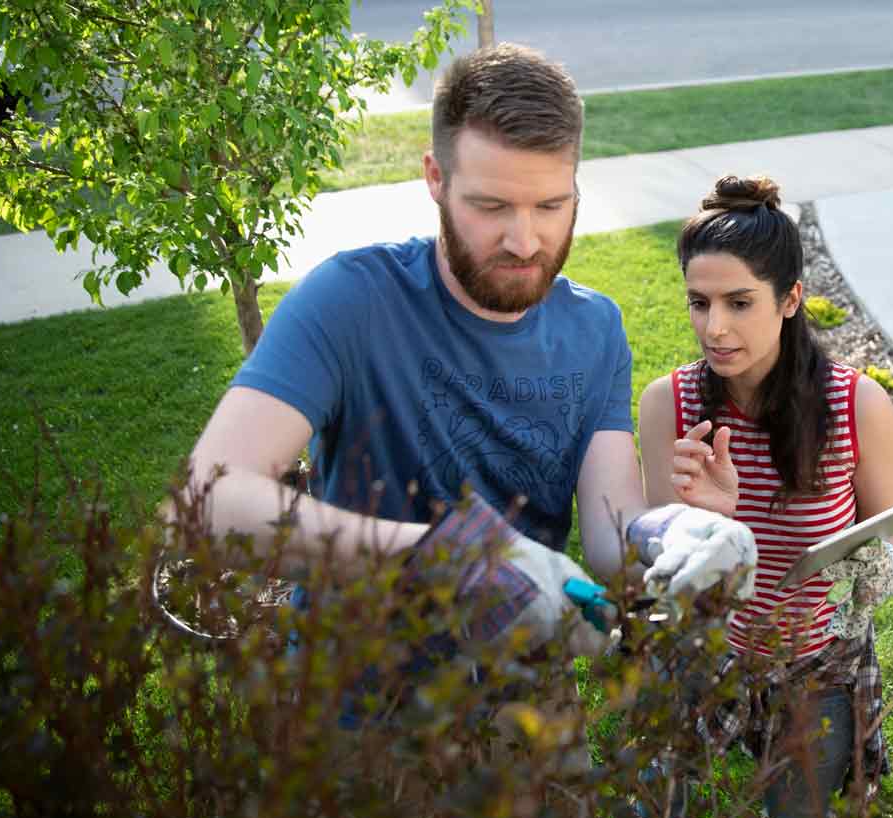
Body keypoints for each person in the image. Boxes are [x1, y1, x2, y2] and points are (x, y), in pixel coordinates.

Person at [178, 44, 757, 717]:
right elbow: (209, 501)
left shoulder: (596, 328)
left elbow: (609, 531)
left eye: (550, 204)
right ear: (435, 178)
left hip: (530, 728)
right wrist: (447, 559)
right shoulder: (350, 301)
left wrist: (674, 535)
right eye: (491, 206)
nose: (525, 240)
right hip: (358, 729)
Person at [632, 175, 893, 818]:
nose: (714, 328)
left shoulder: (857, 407)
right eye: (698, 302)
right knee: (656, 809)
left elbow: (892, 540)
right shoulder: (668, 404)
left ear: (790, 299)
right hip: (702, 651)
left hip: (816, 660)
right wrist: (715, 524)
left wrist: (874, 571)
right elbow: (668, 576)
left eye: (738, 302)